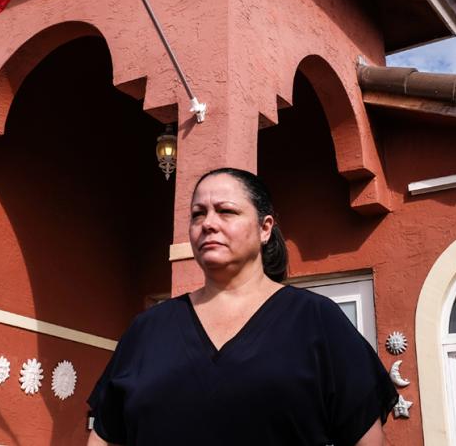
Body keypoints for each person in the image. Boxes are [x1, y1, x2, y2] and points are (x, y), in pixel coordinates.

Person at [86, 167, 397, 445]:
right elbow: (105, 437)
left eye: (226, 211)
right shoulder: (147, 330)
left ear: (265, 228)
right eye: (197, 214)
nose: (208, 223)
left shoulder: (316, 320)